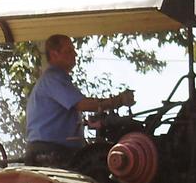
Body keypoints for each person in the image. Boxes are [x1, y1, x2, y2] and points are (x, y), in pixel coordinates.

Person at [24, 34, 135, 167]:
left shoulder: (56, 80)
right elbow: (82, 104)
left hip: (57, 150)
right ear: (54, 54)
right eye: (69, 51)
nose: (75, 54)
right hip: (50, 152)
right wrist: (116, 101)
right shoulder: (52, 79)